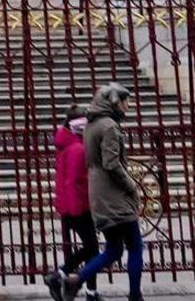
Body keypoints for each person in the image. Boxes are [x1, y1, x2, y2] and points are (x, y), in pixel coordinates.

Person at [52, 85, 142, 301]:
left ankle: (75, 279)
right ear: (113, 102)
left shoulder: (91, 125)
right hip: (114, 196)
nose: (127, 106)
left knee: (113, 249)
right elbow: (112, 164)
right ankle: (135, 295)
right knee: (135, 245)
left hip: (98, 194)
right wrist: (131, 186)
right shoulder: (109, 126)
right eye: (124, 101)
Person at [46, 101, 96, 297]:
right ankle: (60, 276)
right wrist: (83, 206)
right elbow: (75, 181)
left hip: (71, 204)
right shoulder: (76, 148)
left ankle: (87, 289)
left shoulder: (68, 143)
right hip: (78, 206)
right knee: (92, 249)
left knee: (91, 249)